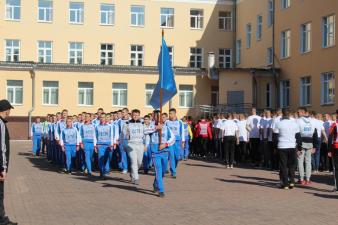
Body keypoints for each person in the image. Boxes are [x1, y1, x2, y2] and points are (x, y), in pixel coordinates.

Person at [146, 110, 175, 197]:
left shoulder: (166, 127)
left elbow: (172, 139)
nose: (159, 118)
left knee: (162, 172)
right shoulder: (150, 126)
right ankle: (161, 190)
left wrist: (165, 144)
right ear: (153, 117)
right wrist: (156, 128)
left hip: (165, 152)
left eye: (160, 116)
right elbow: (145, 131)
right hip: (155, 153)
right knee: (158, 171)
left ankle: (155, 184)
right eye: (156, 116)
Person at [273, 109, 301, 190]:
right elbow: (298, 137)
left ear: (282, 114)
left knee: (283, 165)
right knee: (291, 165)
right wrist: (299, 148)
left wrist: (275, 148)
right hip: (292, 146)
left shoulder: (278, 124)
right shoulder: (294, 124)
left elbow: (275, 137)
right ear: (290, 115)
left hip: (282, 146)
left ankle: (285, 184)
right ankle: (292, 182)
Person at [0, 99, 17, 225]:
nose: (10, 111)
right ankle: (2, 220)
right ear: (5, 110)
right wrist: (2, 168)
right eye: (9, 109)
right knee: (0, 195)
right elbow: (2, 148)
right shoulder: (0, 124)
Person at [122, 109, 145, 185]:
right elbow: (122, 135)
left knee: (139, 162)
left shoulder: (142, 123)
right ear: (131, 115)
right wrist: (123, 144)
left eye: (137, 115)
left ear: (139, 115)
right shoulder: (127, 124)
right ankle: (136, 178)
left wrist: (146, 144)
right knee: (133, 161)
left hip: (140, 144)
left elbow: (146, 134)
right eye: (134, 115)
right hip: (131, 145)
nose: (135, 116)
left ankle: (132, 172)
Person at [296, 107, 318, 185]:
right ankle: (308, 179)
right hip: (310, 142)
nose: (297, 114)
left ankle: (301, 179)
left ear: (303, 112)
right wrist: (315, 146)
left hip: (301, 143)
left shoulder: (298, 121)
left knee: (300, 161)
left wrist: (298, 146)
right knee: (308, 162)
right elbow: (315, 134)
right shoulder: (313, 121)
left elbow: (297, 134)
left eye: (298, 112)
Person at [94, 113, 117, 179]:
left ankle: (104, 171)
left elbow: (112, 136)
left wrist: (112, 144)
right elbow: (95, 136)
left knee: (106, 159)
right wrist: (95, 146)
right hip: (100, 145)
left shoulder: (110, 126)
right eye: (101, 117)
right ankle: (102, 174)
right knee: (100, 159)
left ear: (105, 118)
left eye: (103, 117)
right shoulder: (96, 126)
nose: (102, 118)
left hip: (108, 145)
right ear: (99, 118)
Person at [165, 108, 185, 178]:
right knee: (171, 156)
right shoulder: (167, 122)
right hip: (170, 141)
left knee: (177, 157)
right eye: (169, 113)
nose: (169, 115)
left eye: (171, 113)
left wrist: (183, 142)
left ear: (174, 114)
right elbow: (165, 131)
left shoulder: (180, 122)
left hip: (177, 141)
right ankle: (173, 172)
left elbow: (182, 132)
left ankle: (174, 167)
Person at [117, 108, 130, 174]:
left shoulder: (131, 120)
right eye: (122, 112)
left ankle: (131, 167)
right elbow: (117, 131)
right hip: (122, 140)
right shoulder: (119, 121)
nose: (122, 114)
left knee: (130, 155)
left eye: (124, 112)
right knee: (123, 154)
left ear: (127, 112)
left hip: (129, 140)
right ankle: (125, 168)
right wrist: (117, 139)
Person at [328, 109, 338, 192]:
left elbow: (330, 137)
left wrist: (329, 150)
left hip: (336, 147)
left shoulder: (334, 124)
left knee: (336, 167)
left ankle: (337, 186)